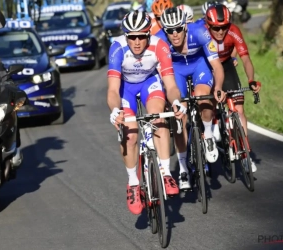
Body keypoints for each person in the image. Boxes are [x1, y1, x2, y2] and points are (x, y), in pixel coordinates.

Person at [107, 10, 186, 214]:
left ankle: (166, 172)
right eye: (131, 36)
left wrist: (176, 101)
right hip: (126, 89)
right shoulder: (117, 49)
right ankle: (133, 183)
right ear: (126, 36)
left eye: (141, 36)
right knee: (130, 134)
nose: (136, 41)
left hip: (150, 83)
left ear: (148, 35)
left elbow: (170, 85)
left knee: (158, 117)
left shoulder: (160, 46)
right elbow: (113, 90)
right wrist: (115, 110)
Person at [155, 7, 226, 190]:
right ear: (165, 30)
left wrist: (217, 87)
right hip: (176, 70)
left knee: (203, 96)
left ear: (185, 27)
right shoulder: (160, 41)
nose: (175, 34)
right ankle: (183, 168)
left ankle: (208, 134)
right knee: (180, 114)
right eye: (170, 30)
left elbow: (217, 66)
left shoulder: (199, 32)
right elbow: (160, 76)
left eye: (178, 29)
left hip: (199, 65)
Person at [205, 4, 261, 172]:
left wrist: (251, 80)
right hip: (207, 66)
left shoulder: (234, 30)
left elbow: (245, 58)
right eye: (216, 28)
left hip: (227, 65)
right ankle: (210, 131)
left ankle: (245, 154)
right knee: (208, 103)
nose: (220, 32)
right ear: (208, 25)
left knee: (239, 109)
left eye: (224, 27)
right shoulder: (202, 32)